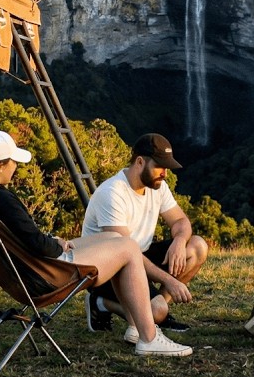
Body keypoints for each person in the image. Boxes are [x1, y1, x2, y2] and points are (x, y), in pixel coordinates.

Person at [0, 130, 192, 357]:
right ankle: (149, 338)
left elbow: (27, 237)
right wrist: (57, 246)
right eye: (13, 161)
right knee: (129, 247)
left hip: (24, 270)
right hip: (46, 272)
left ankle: (136, 327)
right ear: (0, 166)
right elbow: (35, 243)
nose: (16, 166)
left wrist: (52, 241)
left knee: (119, 240)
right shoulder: (2, 199)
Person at [81, 132, 209, 336]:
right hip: (108, 270)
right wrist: (169, 280)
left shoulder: (158, 187)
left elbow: (180, 221)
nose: (165, 173)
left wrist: (179, 240)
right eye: (160, 166)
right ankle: (101, 303)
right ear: (140, 162)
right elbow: (123, 252)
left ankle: (157, 309)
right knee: (156, 311)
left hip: (138, 257)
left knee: (197, 246)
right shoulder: (112, 193)